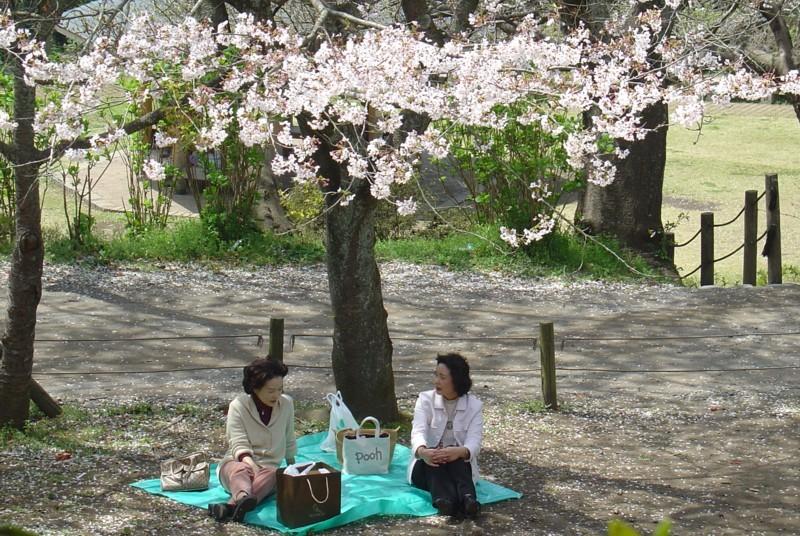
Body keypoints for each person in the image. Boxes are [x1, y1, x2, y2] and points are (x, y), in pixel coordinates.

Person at [208, 357, 297, 523]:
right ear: (255, 388)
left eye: (280, 389)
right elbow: (238, 444)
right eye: (271, 391)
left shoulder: (287, 404)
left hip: (267, 472)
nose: (277, 395)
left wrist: (294, 468)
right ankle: (242, 497)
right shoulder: (238, 406)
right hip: (237, 465)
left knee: (273, 474)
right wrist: (254, 468)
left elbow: (289, 437)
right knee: (240, 471)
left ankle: (231, 507)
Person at [408, 352, 483, 519]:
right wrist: (423, 452)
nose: (437, 381)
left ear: (456, 379)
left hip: (458, 466)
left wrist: (459, 452)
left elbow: (474, 442)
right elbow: (417, 431)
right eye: (436, 376)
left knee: (458, 458)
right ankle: (445, 501)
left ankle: (469, 500)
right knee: (434, 461)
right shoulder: (425, 399)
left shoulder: (474, 406)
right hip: (427, 465)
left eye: (442, 377)